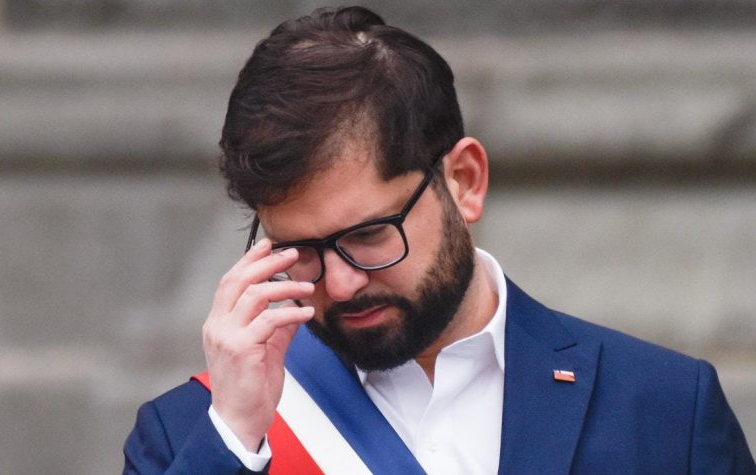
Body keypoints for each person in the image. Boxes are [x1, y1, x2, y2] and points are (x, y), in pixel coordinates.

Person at [123, 6, 755, 474]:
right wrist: (234, 440)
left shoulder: (664, 409)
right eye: (302, 252)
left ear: (464, 181)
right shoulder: (194, 436)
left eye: (371, 233)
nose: (339, 284)